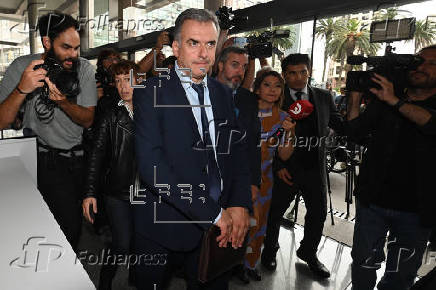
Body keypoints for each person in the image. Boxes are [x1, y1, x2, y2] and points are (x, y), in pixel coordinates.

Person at [133, 8, 252, 290]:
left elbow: (235, 153)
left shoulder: (222, 92)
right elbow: (153, 169)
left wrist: (239, 202)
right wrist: (212, 213)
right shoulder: (151, 92)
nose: (203, 53)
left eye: (210, 44)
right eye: (193, 43)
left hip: (217, 227)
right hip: (162, 227)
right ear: (175, 47)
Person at [0, 13, 97, 250]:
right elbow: (2, 122)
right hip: (40, 157)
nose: (73, 55)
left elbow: (88, 120)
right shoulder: (22, 66)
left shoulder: (83, 68)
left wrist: (63, 102)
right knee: (56, 227)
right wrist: (22, 90)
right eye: (66, 47)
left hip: (77, 159)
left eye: (76, 48)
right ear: (46, 42)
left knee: (70, 228)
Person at [348, 45, 436, 290]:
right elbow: (355, 132)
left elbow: (431, 123)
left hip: (416, 210)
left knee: (400, 275)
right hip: (372, 202)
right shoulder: (387, 97)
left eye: (431, 63)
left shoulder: (392, 98)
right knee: (363, 264)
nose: (421, 66)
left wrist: (394, 101)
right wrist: (354, 97)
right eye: (418, 61)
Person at [261, 53, 344, 279]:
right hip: (285, 168)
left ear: (309, 72)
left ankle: (308, 253)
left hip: (314, 169)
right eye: (293, 73)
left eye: (303, 72)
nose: (299, 78)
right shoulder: (276, 98)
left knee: (317, 214)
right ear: (285, 75)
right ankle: (269, 250)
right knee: (275, 213)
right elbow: (268, 136)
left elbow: (339, 124)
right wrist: (278, 165)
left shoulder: (324, 96)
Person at [82, 60, 139, 290]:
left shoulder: (153, 111)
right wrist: (89, 192)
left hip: (146, 190)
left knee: (140, 241)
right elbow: (96, 154)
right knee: (122, 243)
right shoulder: (110, 115)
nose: (123, 86)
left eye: (128, 79)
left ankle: (137, 280)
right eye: (118, 81)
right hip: (117, 191)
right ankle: (105, 281)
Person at [242, 68, 295, 282]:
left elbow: (284, 154)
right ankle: (228, 263)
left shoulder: (284, 118)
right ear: (256, 87)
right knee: (237, 223)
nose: (272, 90)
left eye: (277, 86)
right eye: (267, 85)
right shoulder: (243, 112)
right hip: (238, 177)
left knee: (258, 223)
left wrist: (289, 132)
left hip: (264, 181)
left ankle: (250, 264)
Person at [216, 46, 262, 282]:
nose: (241, 72)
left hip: (239, 181)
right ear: (220, 65)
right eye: (235, 64)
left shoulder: (248, 99)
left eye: (244, 67)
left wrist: (254, 182)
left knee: (229, 245)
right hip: (207, 184)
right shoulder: (202, 93)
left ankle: (229, 270)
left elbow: (252, 144)